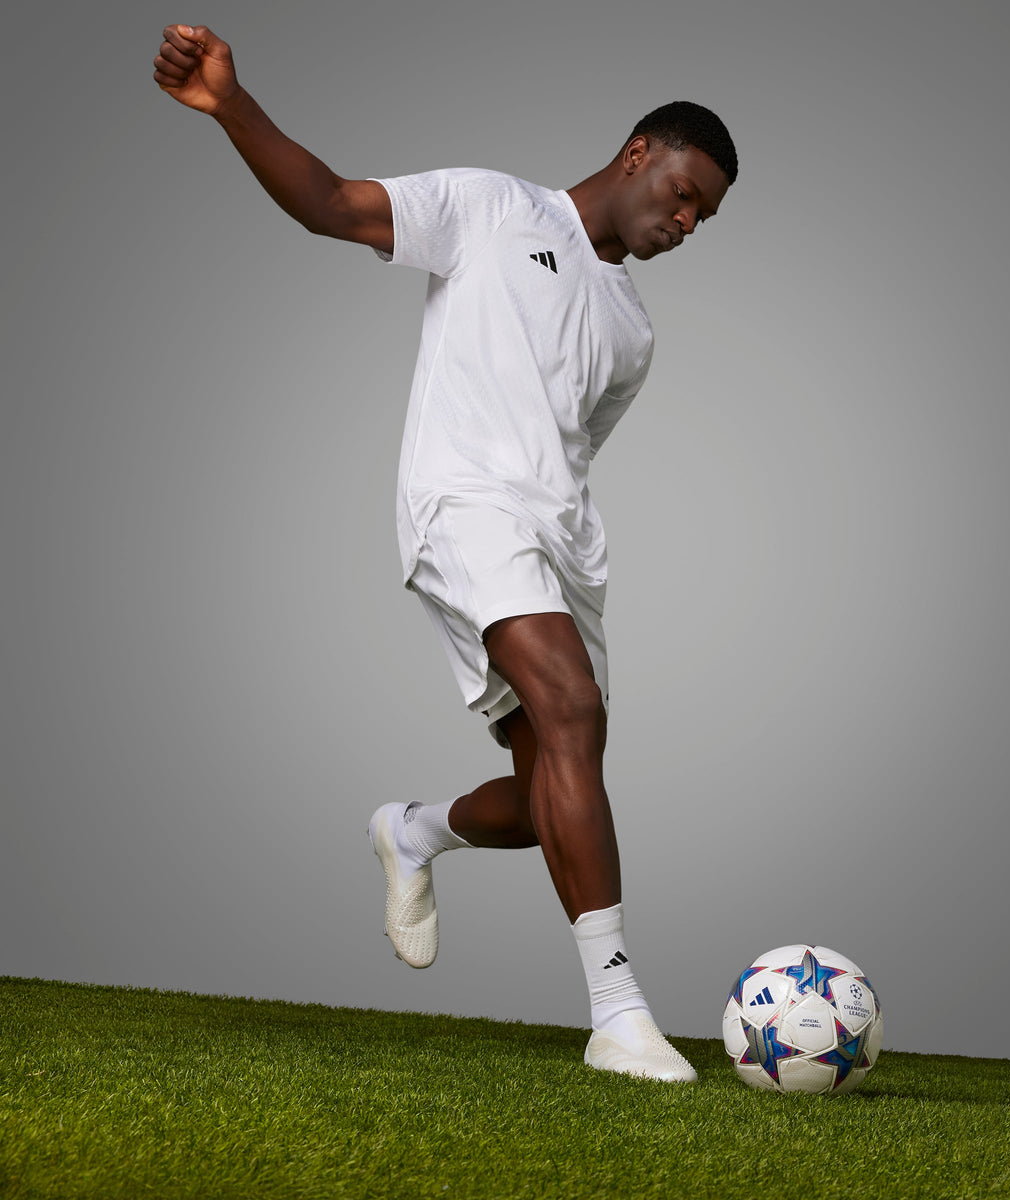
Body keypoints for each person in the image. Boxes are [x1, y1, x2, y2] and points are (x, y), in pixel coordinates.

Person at [154, 23, 737, 1082]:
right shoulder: (492, 207)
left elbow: (569, 448)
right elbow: (333, 204)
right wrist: (230, 103)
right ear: (639, 155)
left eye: (704, 217)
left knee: (555, 790)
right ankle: (618, 1014)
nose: (687, 223)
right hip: (463, 505)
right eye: (684, 194)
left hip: (561, 542)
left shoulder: (635, 333)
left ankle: (415, 831)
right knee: (573, 713)